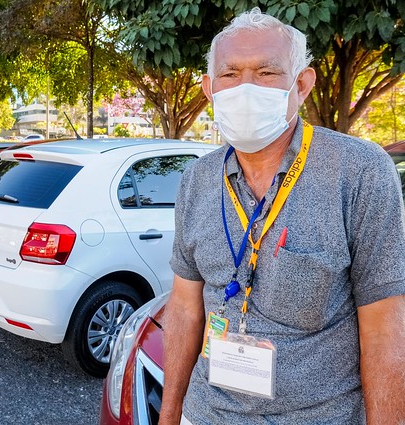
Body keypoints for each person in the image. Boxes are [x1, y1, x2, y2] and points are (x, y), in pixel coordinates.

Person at [161, 8, 405, 425]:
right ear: (209, 89)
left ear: (302, 84)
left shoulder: (360, 170)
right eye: (230, 74)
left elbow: (385, 324)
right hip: (205, 415)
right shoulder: (198, 179)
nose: (245, 88)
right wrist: (169, 416)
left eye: (267, 73)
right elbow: (184, 307)